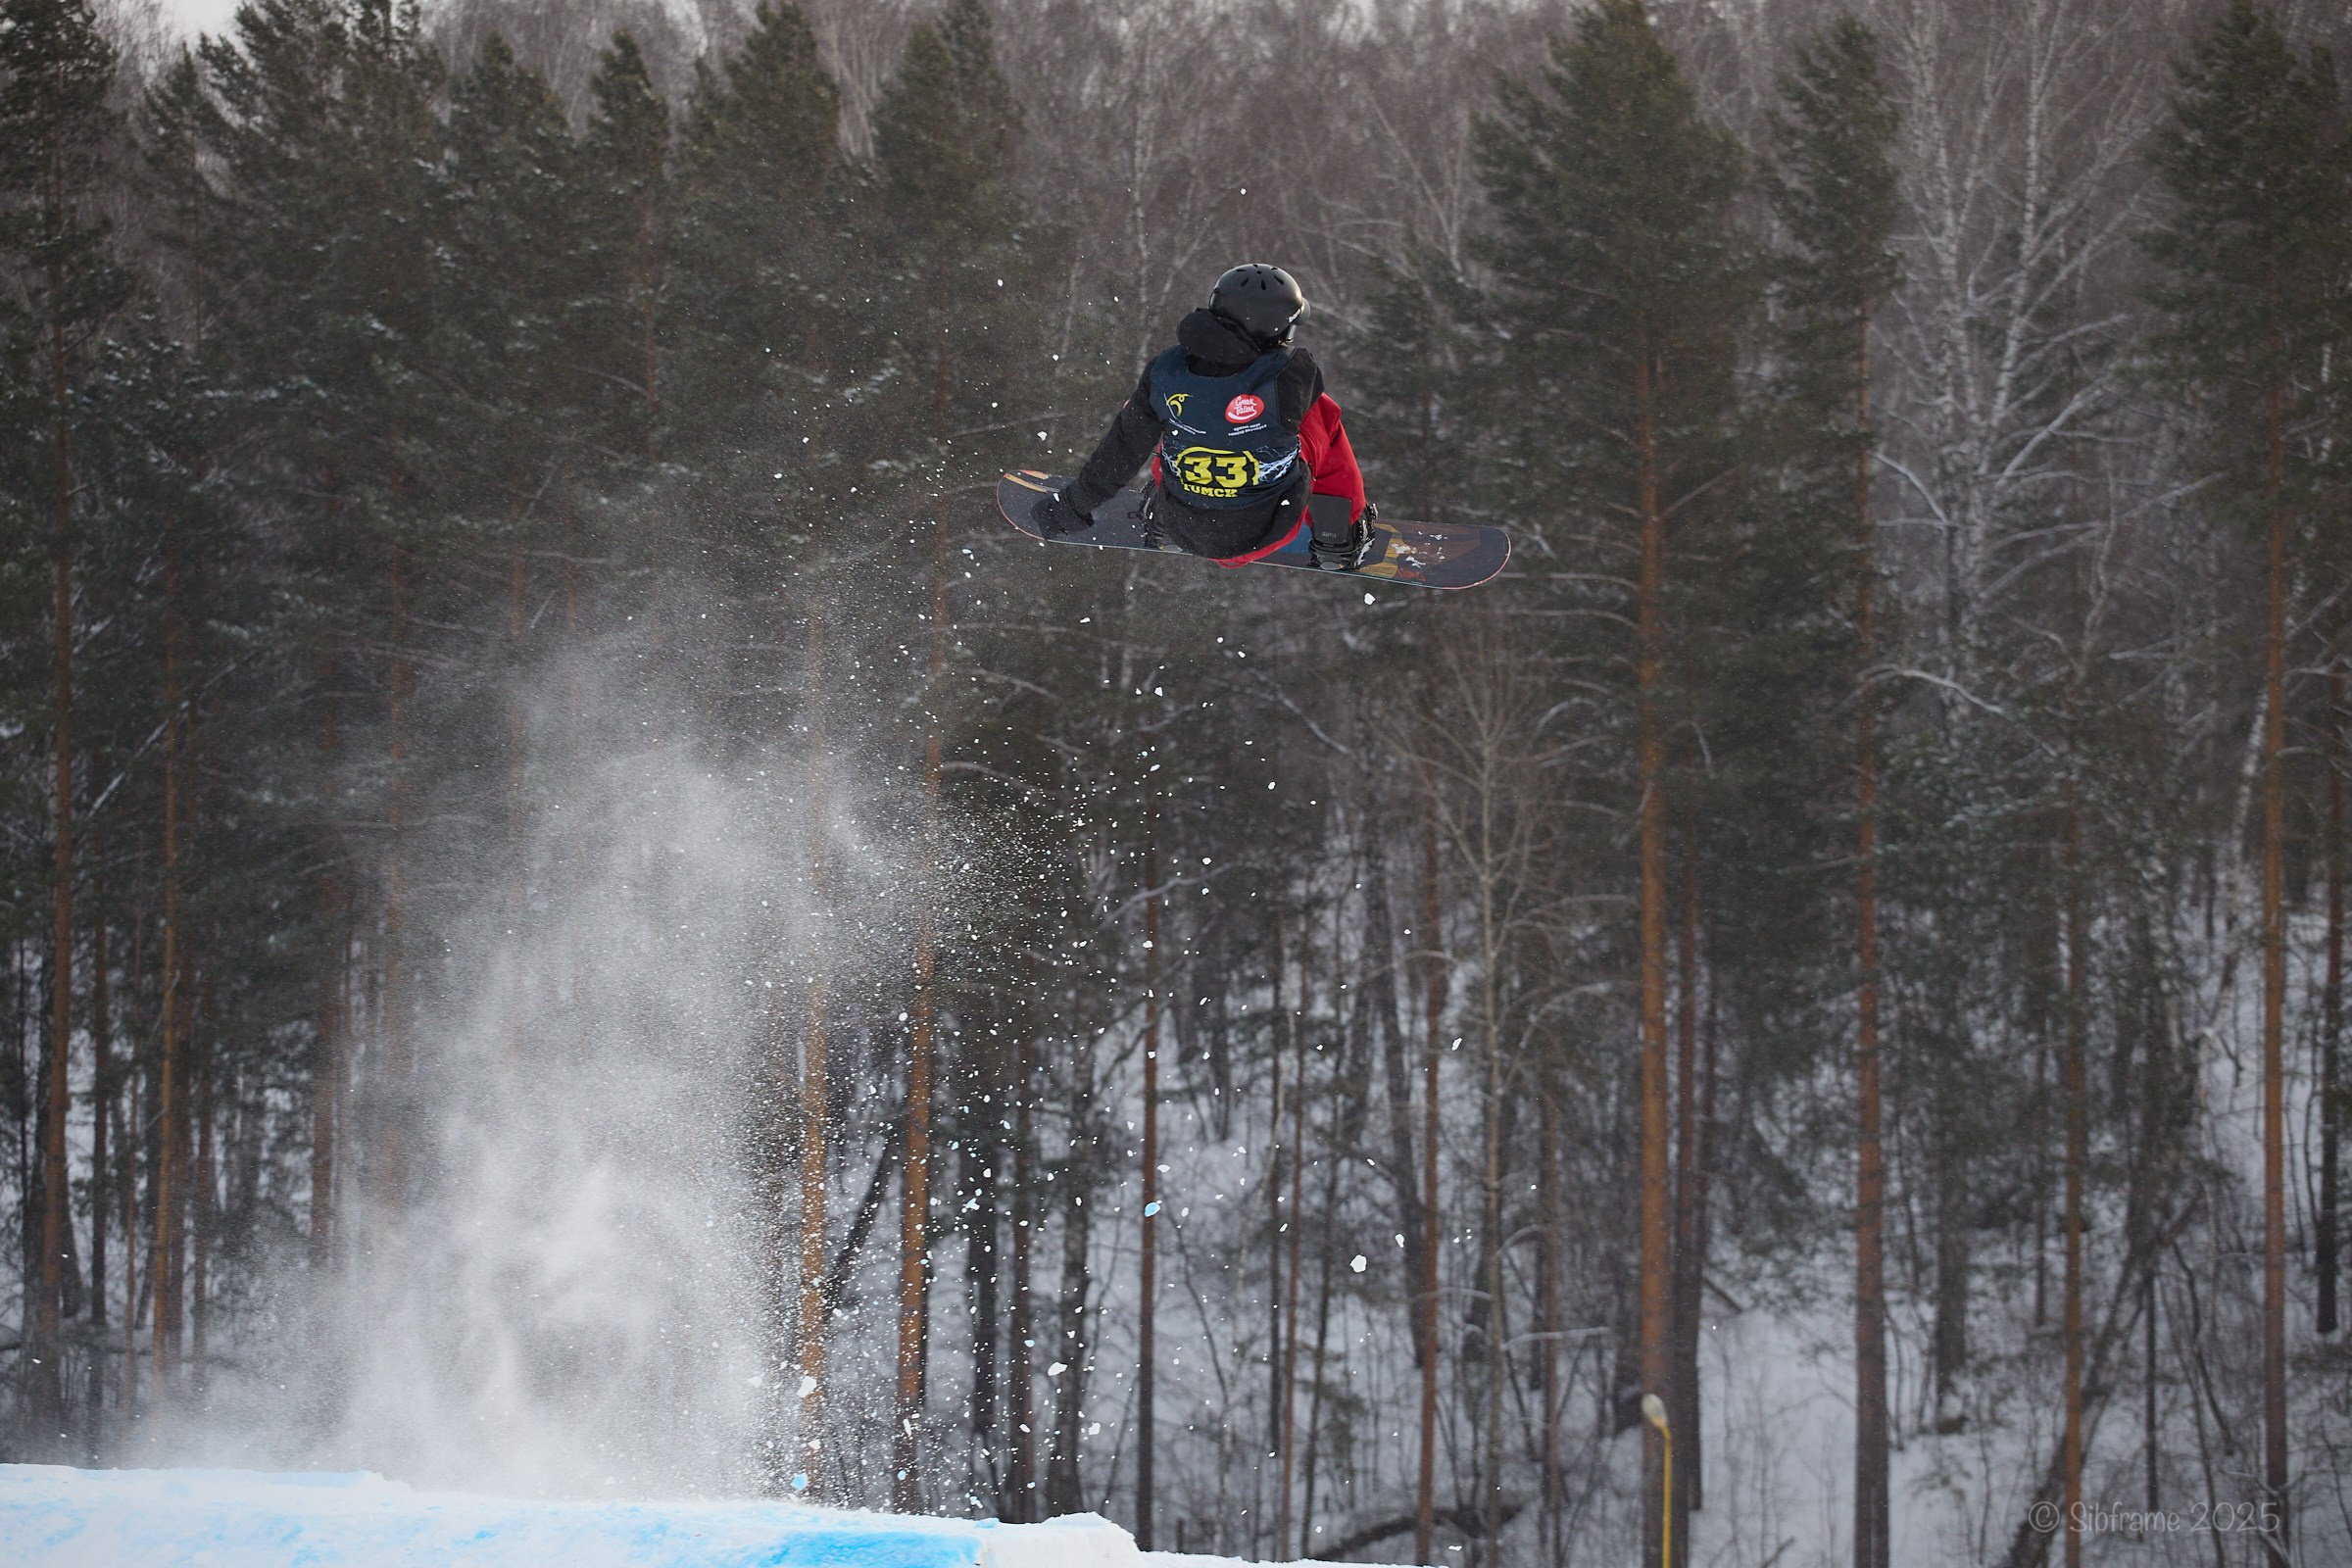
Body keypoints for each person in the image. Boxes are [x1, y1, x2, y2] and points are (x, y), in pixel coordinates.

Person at [1030, 264, 1375, 571]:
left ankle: (1160, 513)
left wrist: (1072, 506)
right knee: (1320, 413)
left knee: (1162, 414)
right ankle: (1338, 535)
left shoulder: (1165, 370)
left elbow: (1122, 450)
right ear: (1281, 330)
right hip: (1272, 526)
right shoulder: (1294, 373)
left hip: (1184, 526)